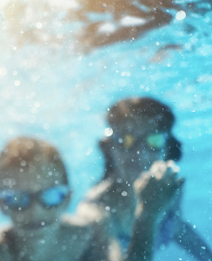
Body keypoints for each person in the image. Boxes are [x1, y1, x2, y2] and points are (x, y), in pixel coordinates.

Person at [77, 97, 212, 260]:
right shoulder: (97, 210)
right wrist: (148, 215)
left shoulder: (168, 186)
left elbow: (176, 227)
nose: (140, 153)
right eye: (127, 140)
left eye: (153, 140)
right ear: (111, 148)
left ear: (167, 148)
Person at [0, 137, 123, 261]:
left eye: (50, 195)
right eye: (18, 198)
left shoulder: (91, 237)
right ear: (1, 204)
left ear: (67, 198)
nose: (35, 210)